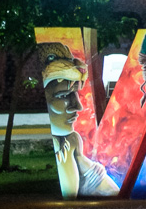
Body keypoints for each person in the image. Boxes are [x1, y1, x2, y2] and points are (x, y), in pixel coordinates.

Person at [40, 44, 118, 197]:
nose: (78, 106)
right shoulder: (68, 143)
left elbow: (110, 191)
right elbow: (73, 194)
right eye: (63, 96)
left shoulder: (73, 140)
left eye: (75, 94)